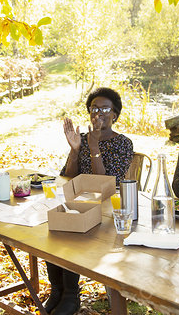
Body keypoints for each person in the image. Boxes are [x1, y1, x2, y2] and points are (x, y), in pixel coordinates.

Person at [45, 87, 133, 315]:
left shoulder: (123, 143)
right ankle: (57, 290)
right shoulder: (81, 139)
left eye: (105, 109)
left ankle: (71, 295)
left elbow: (107, 184)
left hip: (107, 211)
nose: (98, 113)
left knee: (71, 226)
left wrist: (94, 147)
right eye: (94, 109)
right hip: (80, 205)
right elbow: (67, 177)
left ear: (115, 114)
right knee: (56, 223)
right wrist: (75, 151)